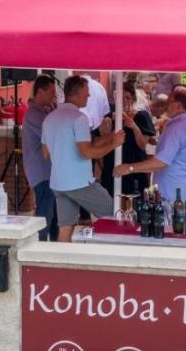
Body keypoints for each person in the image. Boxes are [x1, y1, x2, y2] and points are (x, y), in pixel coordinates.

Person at [41, 76, 124, 243]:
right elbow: (87, 152)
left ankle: (60, 265)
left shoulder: (49, 119)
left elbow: (46, 153)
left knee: (65, 227)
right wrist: (114, 144)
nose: (88, 97)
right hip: (79, 183)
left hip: (58, 183)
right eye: (86, 93)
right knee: (114, 212)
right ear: (77, 94)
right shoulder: (79, 119)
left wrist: (109, 137)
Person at [115, 86, 186, 208]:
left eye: (170, 101)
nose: (166, 105)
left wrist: (130, 168)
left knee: (170, 226)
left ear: (179, 106)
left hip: (173, 196)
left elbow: (161, 162)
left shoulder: (176, 127)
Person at [22, 75, 59, 241]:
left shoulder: (44, 112)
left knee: (54, 217)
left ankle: (54, 248)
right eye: (51, 91)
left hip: (48, 172)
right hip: (41, 172)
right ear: (41, 92)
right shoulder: (33, 115)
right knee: (45, 215)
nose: (54, 95)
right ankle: (39, 249)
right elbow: (53, 133)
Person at [118, 81, 157, 195]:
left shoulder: (141, 116)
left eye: (126, 97)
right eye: (119, 97)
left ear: (132, 98)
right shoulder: (110, 116)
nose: (123, 101)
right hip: (114, 168)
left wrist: (134, 127)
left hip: (133, 168)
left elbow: (142, 145)